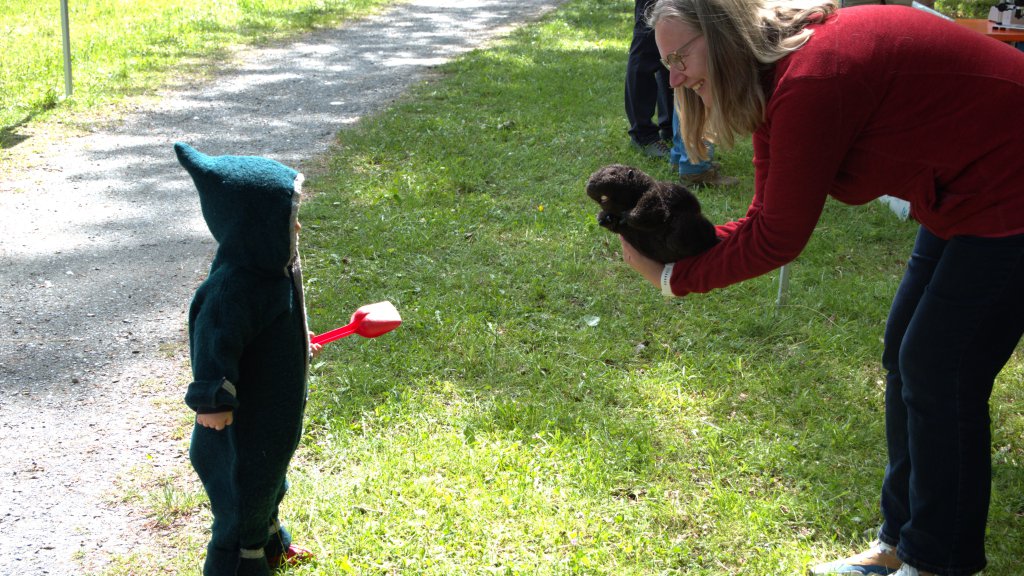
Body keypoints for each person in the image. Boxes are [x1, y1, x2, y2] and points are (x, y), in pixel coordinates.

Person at [619, 1, 1024, 575]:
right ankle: (899, 544)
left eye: (681, 56)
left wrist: (673, 278)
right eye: (666, 64)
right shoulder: (778, 77)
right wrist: (685, 254)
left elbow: (778, 238)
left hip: (1010, 186)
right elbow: (766, 215)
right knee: (905, 354)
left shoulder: (812, 79)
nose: (676, 77)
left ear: (725, 37)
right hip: (966, 189)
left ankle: (939, 562)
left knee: (939, 369)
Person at [175, 142, 319, 576]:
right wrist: (212, 401)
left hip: (272, 418)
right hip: (241, 426)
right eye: (289, 221)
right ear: (252, 227)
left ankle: (272, 545)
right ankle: (238, 563)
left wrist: (298, 339)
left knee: (270, 484)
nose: (297, 229)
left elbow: (274, 322)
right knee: (241, 504)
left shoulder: (271, 272)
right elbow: (213, 346)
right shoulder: (231, 290)